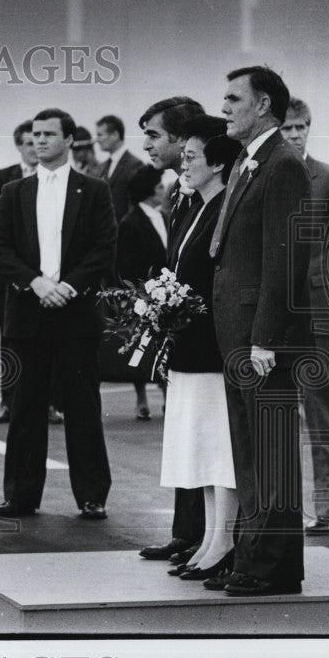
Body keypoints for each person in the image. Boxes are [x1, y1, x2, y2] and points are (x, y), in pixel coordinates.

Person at [208, 65, 311, 596]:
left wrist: (265, 338)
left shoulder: (281, 165)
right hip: (240, 331)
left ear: (263, 104)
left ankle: (271, 568)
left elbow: (284, 260)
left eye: (232, 98)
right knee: (248, 449)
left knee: (268, 450)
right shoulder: (254, 162)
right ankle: (250, 556)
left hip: (260, 338)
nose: (223, 107)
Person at [0, 108, 116, 521]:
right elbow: (1, 247)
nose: (39, 140)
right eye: (34, 134)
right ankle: (20, 496)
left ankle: (92, 495)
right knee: (26, 406)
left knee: (82, 405)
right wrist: (37, 283)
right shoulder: (14, 191)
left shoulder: (94, 190)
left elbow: (103, 246)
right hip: (29, 312)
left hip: (76, 313)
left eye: (47, 134)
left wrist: (68, 286)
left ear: (69, 139)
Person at [160, 125, 243, 582]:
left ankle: (224, 538)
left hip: (212, 348)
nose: (184, 163)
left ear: (217, 164)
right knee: (202, 450)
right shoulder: (196, 207)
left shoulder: (223, 209)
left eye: (192, 156)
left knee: (218, 449)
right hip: (189, 347)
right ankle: (213, 538)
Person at [137, 95, 207, 565]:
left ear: (183, 140)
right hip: (180, 325)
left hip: (204, 332)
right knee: (184, 432)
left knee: (202, 435)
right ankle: (187, 532)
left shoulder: (204, 187)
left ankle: (204, 535)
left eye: (154, 135)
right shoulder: (177, 190)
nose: (147, 145)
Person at [280, 97, 329, 536]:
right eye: (286, 129)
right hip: (273, 316)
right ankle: (281, 509)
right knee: (275, 414)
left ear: (308, 128)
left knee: (323, 415)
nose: (293, 136)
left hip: (318, 316)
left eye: (299, 128)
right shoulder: (260, 177)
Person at [0, 120, 37, 424]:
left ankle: (50, 403)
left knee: (47, 337)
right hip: (11, 275)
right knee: (9, 338)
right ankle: (8, 401)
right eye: (30, 142)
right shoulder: (5, 177)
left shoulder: (50, 178)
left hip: (44, 272)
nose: (36, 148)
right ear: (19, 145)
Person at [115, 165, 169, 420]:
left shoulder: (164, 216)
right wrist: (139, 292)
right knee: (141, 345)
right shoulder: (131, 221)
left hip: (167, 292)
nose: (164, 190)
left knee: (164, 345)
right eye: (160, 186)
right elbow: (125, 263)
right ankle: (141, 398)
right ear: (148, 190)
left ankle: (167, 394)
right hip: (143, 294)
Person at [95, 115, 145, 222]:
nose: (97, 140)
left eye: (100, 135)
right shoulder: (102, 167)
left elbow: (137, 207)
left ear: (115, 135)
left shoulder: (135, 165)